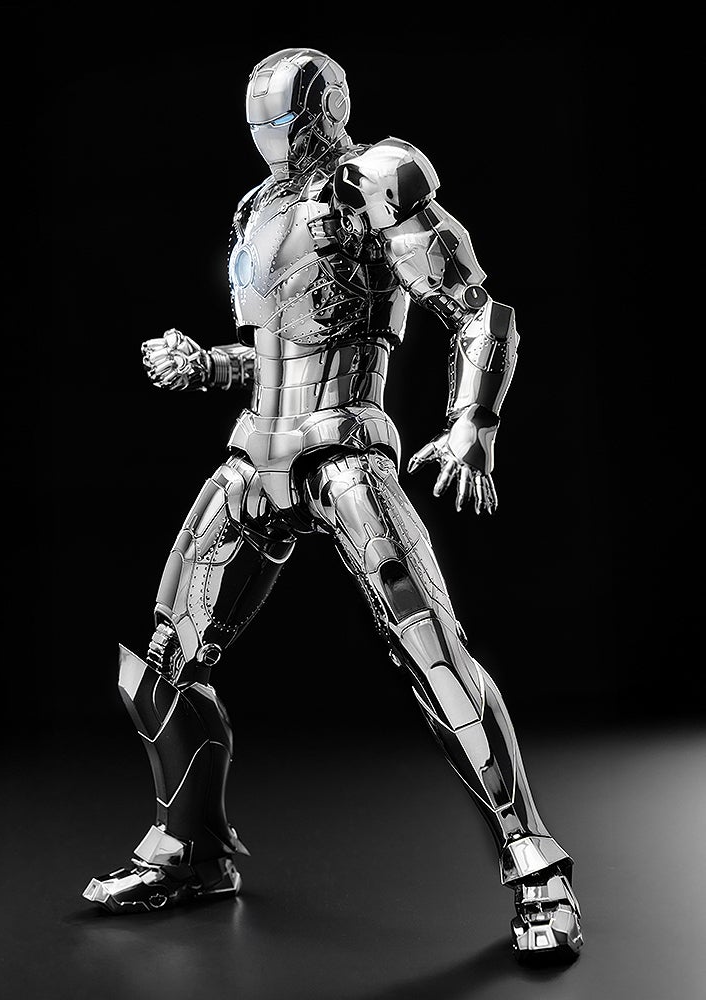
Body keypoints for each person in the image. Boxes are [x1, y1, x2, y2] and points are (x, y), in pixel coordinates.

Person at [83, 47, 582, 960]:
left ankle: (536, 867)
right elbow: (280, 353)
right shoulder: (258, 207)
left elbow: (479, 311)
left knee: (432, 649)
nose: (271, 140)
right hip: (255, 456)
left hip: (344, 452)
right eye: (259, 127)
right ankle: (191, 850)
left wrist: (472, 424)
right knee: (162, 661)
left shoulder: (377, 178)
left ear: (324, 113)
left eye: (284, 122)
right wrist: (207, 365)